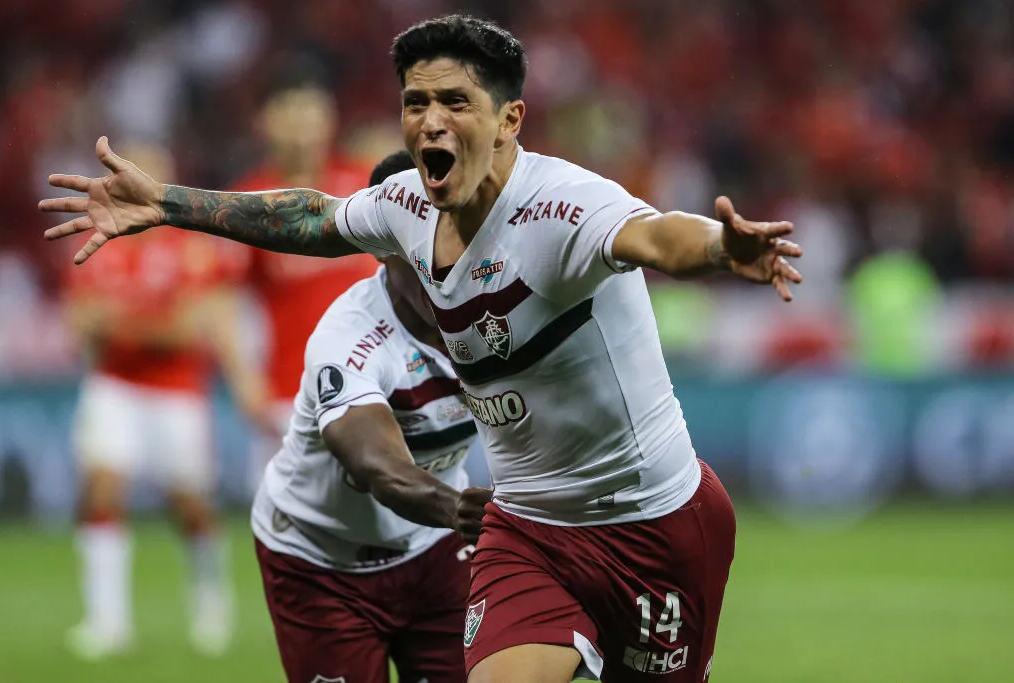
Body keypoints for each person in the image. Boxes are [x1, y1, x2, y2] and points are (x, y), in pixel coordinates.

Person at [41, 15, 803, 682]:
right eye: (416, 102)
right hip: (527, 526)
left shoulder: (564, 207)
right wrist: (170, 204)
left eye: (455, 102)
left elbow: (656, 234)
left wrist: (718, 247)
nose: (430, 120)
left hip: (652, 518)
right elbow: (310, 216)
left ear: (510, 120)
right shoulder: (408, 207)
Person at [253, 149, 489, 683]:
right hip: (320, 561)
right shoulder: (349, 340)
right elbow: (375, 466)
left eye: (459, 237)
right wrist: (471, 514)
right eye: (424, 244)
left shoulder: (497, 312)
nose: (447, 264)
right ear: (382, 247)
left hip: (433, 551)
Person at [60, 141, 269, 660]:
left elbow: (188, 328)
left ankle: (210, 600)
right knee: (101, 490)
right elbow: (79, 322)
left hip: (177, 392)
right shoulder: (99, 237)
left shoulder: (189, 243)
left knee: (190, 506)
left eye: (152, 170)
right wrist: (145, 322)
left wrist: (121, 321)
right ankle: (107, 622)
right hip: (113, 385)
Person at [226, 58, 378, 476]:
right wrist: (243, 378)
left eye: (310, 109)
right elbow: (221, 297)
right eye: (288, 111)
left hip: (377, 383)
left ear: (330, 117)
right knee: (290, 532)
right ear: (265, 121)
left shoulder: (368, 183)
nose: (300, 123)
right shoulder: (248, 201)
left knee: (389, 527)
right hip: (289, 393)